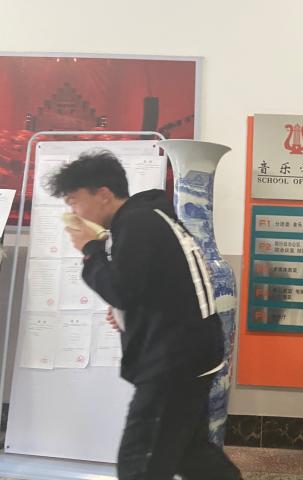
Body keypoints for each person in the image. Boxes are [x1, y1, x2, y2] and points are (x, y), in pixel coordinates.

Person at [47, 150, 241, 480]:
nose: (72, 212)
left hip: (173, 358)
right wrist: (126, 313)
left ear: (103, 194)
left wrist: (90, 249)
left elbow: (122, 289)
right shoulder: (151, 217)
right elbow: (153, 286)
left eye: (74, 201)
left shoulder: (137, 224)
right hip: (191, 352)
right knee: (190, 454)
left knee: (141, 459)